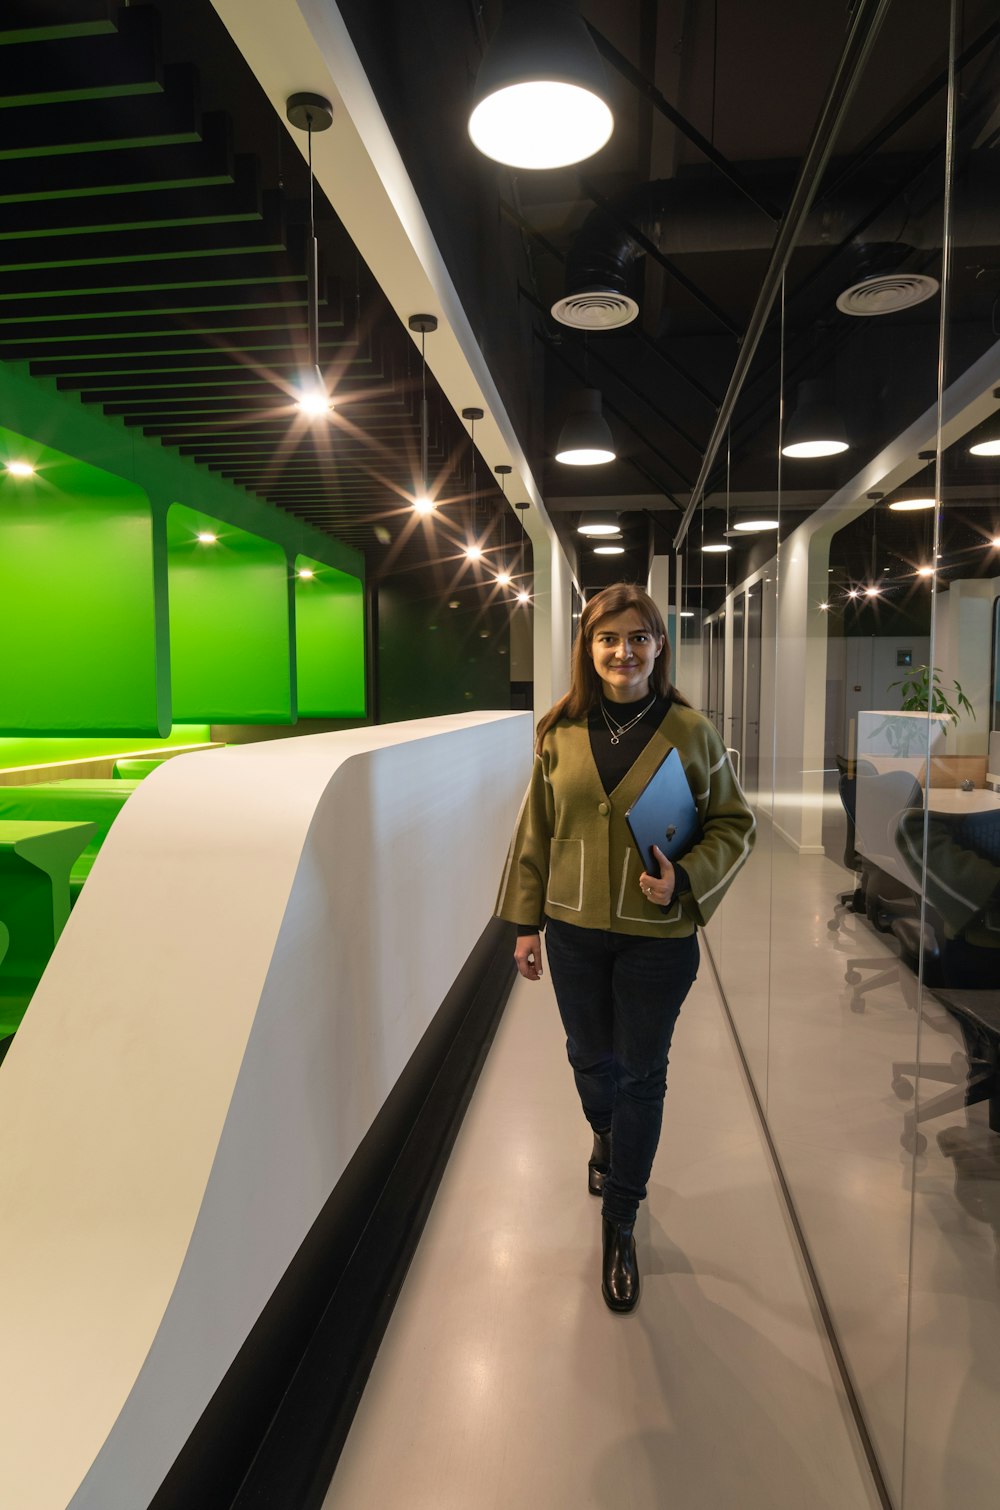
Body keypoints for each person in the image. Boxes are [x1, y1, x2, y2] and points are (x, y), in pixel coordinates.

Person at [495, 582, 755, 1313]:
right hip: (574, 933)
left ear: (659, 645)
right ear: (589, 648)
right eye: (608, 638)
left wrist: (688, 880)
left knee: (642, 1073)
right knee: (589, 1058)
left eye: (638, 636)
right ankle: (605, 1136)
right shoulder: (560, 731)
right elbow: (536, 832)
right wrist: (525, 922)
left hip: (657, 940)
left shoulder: (690, 730)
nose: (623, 651)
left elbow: (736, 825)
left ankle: (621, 1222)